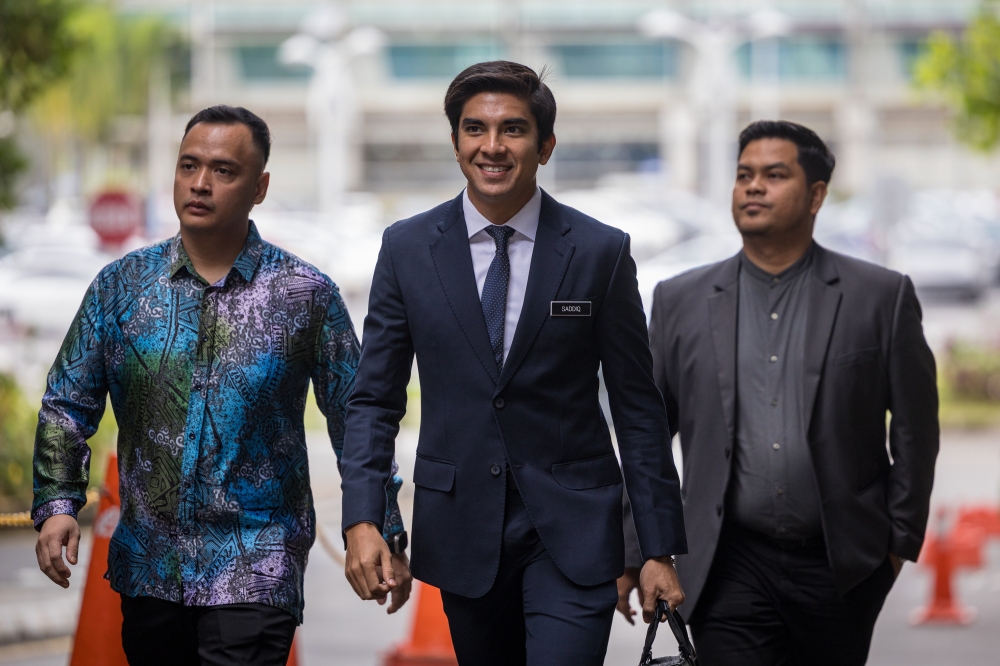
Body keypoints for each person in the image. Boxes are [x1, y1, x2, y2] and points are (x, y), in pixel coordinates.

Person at [31, 105, 410, 666]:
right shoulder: (120, 288)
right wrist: (58, 502)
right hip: (149, 566)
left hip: (258, 565)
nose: (201, 184)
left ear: (259, 187)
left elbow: (356, 420)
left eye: (224, 171)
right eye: (189, 166)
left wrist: (378, 528)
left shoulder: (306, 296)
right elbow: (67, 402)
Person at [338, 61, 687, 666]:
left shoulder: (600, 251)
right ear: (454, 143)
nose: (492, 147)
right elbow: (373, 398)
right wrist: (363, 518)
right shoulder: (407, 248)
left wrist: (658, 548)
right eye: (474, 129)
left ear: (545, 145)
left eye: (513, 130)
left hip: (574, 530)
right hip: (462, 526)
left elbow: (638, 408)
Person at [620, 120, 939, 665]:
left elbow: (915, 430)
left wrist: (895, 547)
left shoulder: (880, 298)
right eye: (744, 175)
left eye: (773, 174)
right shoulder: (681, 300)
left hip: (843, 566)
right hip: (726, 563)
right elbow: (646, 435)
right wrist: (639, 549)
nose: (752, 187)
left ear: (816, 195)